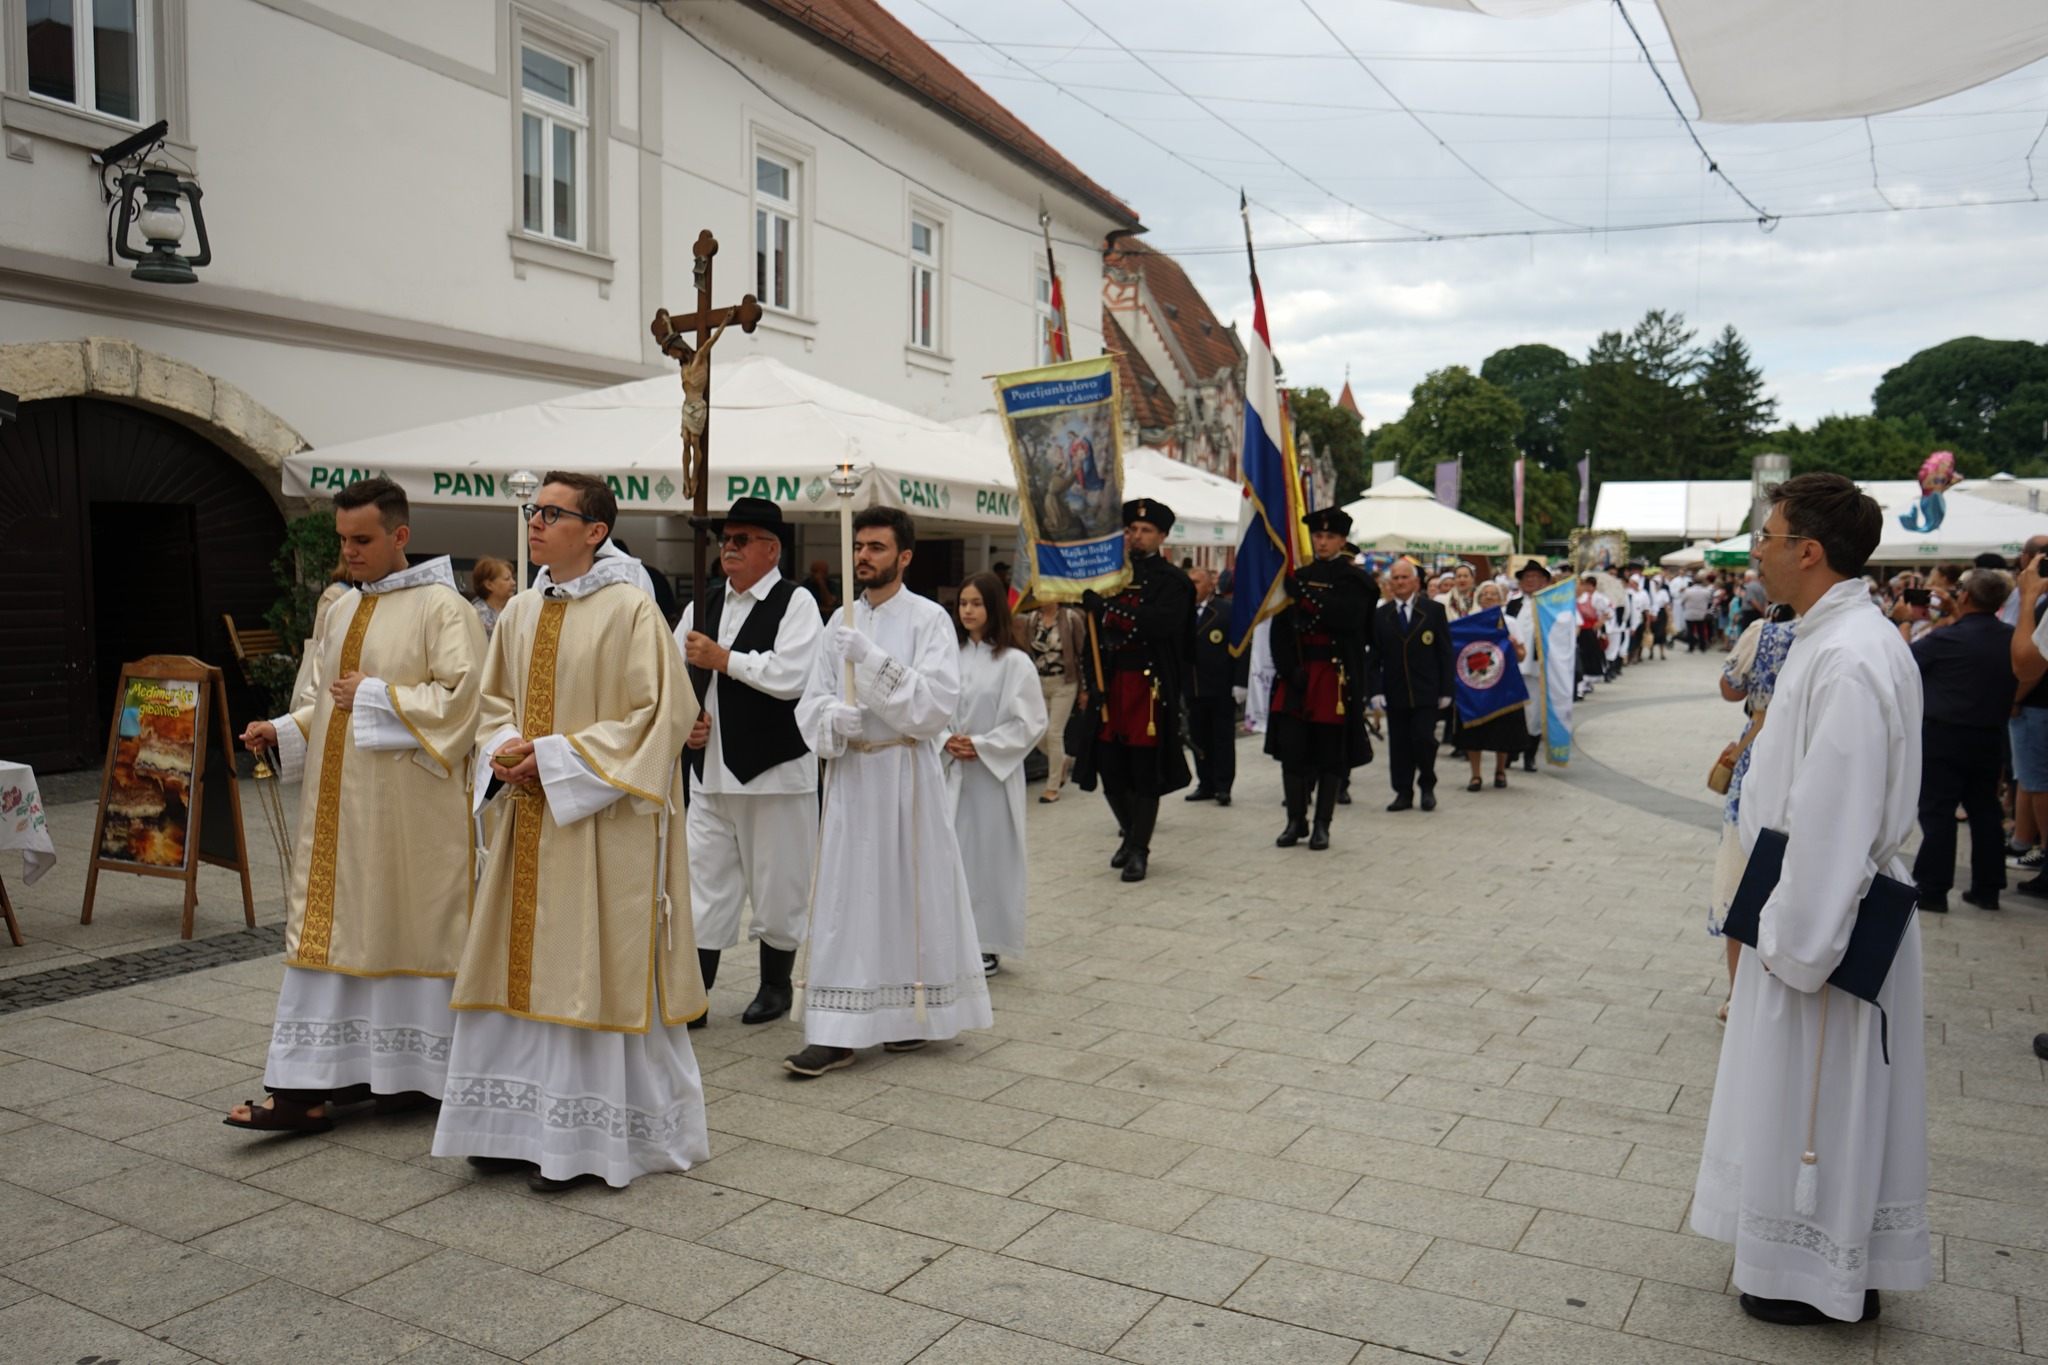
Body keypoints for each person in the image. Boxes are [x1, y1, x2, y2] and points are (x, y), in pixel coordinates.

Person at [1692, 472, 1930, 1327]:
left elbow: (1836, 815)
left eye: (1767, 534)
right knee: (1806, 1098)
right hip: (1797, 893)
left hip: (1821, 913)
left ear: (1809, 550)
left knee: (1818, 1099)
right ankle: (1810, 1258)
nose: (1756, 549)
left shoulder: (1851, 654)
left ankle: (1814, 1271)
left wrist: (1799, 943)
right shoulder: (1828, 636)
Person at [433, 472, 708, 1191]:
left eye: (552, 513)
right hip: (529, 818)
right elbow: (491, 702)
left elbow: (659, 718)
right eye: (534, 510)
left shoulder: (632, 612)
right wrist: (505, 748)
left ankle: (582, 1141)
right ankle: (511, 1125)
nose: (536, 521)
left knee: (586, 964)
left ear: (594, 531)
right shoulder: (520, 611)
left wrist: (552, 759)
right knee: (514, 958)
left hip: (598, 824)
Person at [229, 477, 485, 1134]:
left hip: (409, 815)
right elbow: (328, 699)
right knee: (330, 936)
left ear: (400, 535)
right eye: (343, 540)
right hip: (340, 813)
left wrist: (375, 694)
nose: (350, 552)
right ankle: (314, 1085)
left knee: (405, 930)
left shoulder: (442, 607)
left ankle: (401, 1078)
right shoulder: (340, 609)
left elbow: (466, 701)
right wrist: (286, 730)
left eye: (363, 539)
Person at [786, 507, 990, 1076]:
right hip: (853, 777)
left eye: (876, 547)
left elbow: (933, 706)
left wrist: (870, 661)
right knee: (847, 901)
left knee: (907, 894)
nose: (862, 557)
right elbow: (811, 698)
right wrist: (833, 720)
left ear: (903, 556)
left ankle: (908, 1014)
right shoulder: (839, 621)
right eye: (859, 547)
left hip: (906, 776)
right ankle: (838, 1031)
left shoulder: (929, 620)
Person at [675, 496, 821, 1029]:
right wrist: (684, 717)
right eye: (725, 539)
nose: (728, 548)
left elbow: (792, 676)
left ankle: (775, 984)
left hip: (774, 771)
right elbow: (672, 672)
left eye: (740, 540)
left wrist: (725, 660)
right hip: (710, 770)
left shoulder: (796, 601)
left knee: (778, 884)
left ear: (771, 548)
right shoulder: (703, 604)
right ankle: (696, 990)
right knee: (702, 882)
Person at [1074, 499, 1196, 882]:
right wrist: (1090, 681)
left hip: (1148, 687)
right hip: (1110, 685)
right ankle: (1130, 833)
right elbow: (1092, 638)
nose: (1136, 536)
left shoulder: (1172, 582)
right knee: (1109, 769)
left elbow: (1160, 625)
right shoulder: (1107, 578)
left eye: (1144, 531)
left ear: (1161, 536)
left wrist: (1108, 612)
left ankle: (1139, 849)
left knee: (1145, 772)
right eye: (1130, 529)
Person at [944, 573, 1047, 976]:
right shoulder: (947, 655)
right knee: (950, 853)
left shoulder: (1014, 661)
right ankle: (950, 936)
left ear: (994, 609)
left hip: (990, 775)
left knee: (989, 857)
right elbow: (929, 706)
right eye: (963, 603)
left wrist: (983, 745)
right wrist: (943, 739)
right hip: (949, 769)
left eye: (976, 604)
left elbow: (1031, 721)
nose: (967, 611)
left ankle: (987, 941)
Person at [1708, 606, 1798, 1020]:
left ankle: (1737, 995)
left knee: (1743, 874)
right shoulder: (1856, 630)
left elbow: (1730, 688)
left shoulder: (1764, 633)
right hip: (1812, 757)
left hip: (1760, 750)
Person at [1266, 508, 1375, 848]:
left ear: (1343, 540)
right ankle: (1295, 820)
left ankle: (1322, 824)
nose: (1322, 542)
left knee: (1331, 754)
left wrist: (1309, 597)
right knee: (1292, 749)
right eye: (1318, 536)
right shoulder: (1296, 576)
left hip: (1333, 676)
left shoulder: (1357, 582)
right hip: (1298, 674)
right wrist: (1287, 669)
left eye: (1329, 537)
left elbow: (1348, 618)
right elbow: (1280, 631)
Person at [1906, 569, 2014, 913]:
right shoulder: (2010, 637)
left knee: (1937, 812)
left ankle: (1933, 889)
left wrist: (1906, 622)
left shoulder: (1947, 638)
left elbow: (1904, 662)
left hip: (1944, 734)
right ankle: (1987, 888)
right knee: (1985, 810)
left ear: (1964, 596)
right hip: (1989, 735)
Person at [1366, 559, 1453, 811]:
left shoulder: (1433, 610)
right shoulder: (1381, 615)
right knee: (1400, 744)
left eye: (1405, 578)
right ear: (1389, 583)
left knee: (1424, 739)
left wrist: (1447, 689)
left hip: (1427, 690)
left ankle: (1427, 786)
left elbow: (1445, 652)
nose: (1400, 582)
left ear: (1416, 582)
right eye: (1396, 578)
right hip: (1395, 690)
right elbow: (1373, 657)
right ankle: (1403, 791)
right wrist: (1375, 691)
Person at [1457, 581, 1531, 792]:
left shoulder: (1511, 623)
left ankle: (1500, 771)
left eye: (1494, 594)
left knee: (1504, 731)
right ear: (1478, 598)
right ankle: (1476, 775)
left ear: (1502, 599)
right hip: (1475, 687)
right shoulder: (1468, 623)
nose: (1489, 597)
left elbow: (1522, 655)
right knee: (1474, 732)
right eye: (1485, 594)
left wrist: (1514, 646)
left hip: (1504, 685)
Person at [1184, 566, 1248, 806]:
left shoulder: (1225, 611)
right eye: (1189, 581)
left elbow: (1241, 648)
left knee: (1221, 738)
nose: (1192, 587)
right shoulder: (1181, 611)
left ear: (1211, 585)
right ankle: (1205, 783)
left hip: (1221, 685)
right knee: (1198, 737)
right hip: (1193, 686)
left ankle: (1223, 786)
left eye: (1198, 582)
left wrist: (1240, 682)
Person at [1026, 594, 1085, 803]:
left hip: (1064, 682)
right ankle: (1062, 760)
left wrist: (1084, 689)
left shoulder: (1070, 618)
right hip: (1039, 683)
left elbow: (1082, 652)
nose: (1044, 596)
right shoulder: (1033, 619)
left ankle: (1052, 788)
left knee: (1054, 733)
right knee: (1038, 732)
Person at [1503, 555, 1550, 772]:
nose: (1530, 580)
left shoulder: (1549, 605)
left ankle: (1529, 754)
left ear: (1543, 580)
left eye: (1535, 576)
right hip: (1513, 666)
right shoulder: (1511, 605)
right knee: (1513, 711)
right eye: (1527, 577)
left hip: (1537, 667)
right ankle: (1512, 750)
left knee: (1534, 713)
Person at [470, 556, 515, 639]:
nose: (513, 583)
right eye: (507, 579)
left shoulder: (510, 608)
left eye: (512, 578)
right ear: (489, 585)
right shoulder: (480, 614)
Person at [1682, 573, 1715, 652]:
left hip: (1690, 613)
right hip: (1701, 613)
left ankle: (1691, 647)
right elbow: (1710, 601)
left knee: (1690, 631)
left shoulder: (1688, 591)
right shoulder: (1706, 592)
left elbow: (1682, 601)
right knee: (1701, 631)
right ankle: (1702, 647)